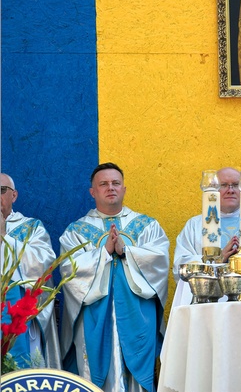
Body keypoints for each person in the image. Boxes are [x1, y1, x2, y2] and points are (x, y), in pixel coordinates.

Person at [60, 163, 169, 392]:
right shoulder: (76, 231)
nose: (111, 188)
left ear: (124, 189)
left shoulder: (147, 225)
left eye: (116, 183)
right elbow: (69, 271)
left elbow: (159, 261)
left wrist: (126, 251)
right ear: (93, 192)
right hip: (95, 315)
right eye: (103, 184)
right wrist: (104, 252)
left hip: (137, 313)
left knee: (137, 373)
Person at [172, 167, 241, 282]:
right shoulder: (194, 226)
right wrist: (218, 260)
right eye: (224, 185)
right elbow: (181, 265)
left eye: (235, 185)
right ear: (214, 189)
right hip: (208, 293)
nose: (230, 190)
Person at [0, 173, 60, 369]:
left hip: (19, 318)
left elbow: (43, 264)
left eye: (2, 190)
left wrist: (4, 237)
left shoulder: (31, 227)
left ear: (14, 196)